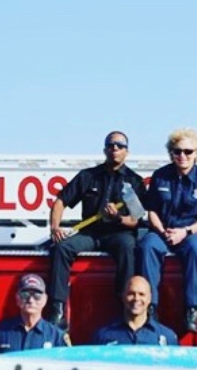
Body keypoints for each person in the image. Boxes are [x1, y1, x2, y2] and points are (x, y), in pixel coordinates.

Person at [47, 130, 147, 329]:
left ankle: (124, 307)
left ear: (127, 151)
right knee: (61, 247)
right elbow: (60, 202)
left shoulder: (134, 182)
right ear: (104, 150)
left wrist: (118, 218)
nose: (115, 149)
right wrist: (55, 228)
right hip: (90, 234)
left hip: (119, 233)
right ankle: (57, 310)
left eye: (120, 146)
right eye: (111, 145)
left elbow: (138, 220)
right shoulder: (88, 176)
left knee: (128, 246)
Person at [138, 128, 197, 334]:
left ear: (196, 154)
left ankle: (193, 309)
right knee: (147, 246)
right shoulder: (160, 176)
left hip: (193, 233)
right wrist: (161, 230)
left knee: (195, 249)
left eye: (188, 151)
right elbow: (151, 210)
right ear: (171, 153)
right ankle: (150, 307)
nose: (182, 156)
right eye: (177, 151)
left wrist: (186, 231)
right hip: (163, 230)